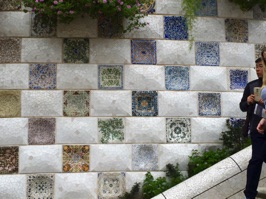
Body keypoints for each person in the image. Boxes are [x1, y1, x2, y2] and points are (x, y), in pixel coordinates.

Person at [240, 56, 265, 199]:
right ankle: (249, 194)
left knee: (259, 157)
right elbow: (242, 106)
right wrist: (248, 102)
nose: (258, 70)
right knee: (256, 159)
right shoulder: (251, 85)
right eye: (256, 67)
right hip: (257, 127)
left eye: (261, 66)